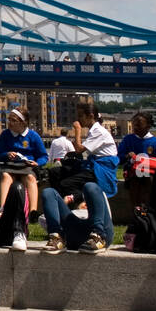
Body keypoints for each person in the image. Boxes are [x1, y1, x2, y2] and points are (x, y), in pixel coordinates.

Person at [41, 101, 118, 255]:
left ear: (90, 116)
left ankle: (98, 236)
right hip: (73, 232)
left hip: (99, 171)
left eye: (81, 116)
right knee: (50, 188)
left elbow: (78, 149)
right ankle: (56, 236)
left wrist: (76, 130)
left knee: (89, 186)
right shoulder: (93, 131)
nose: (79, 120)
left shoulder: (99, 131)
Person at [0, 109, 48, 250]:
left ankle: (33, 211)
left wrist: (37, 163)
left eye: (13, 120)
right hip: (10, 165)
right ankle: (2, 208)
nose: (10, 123)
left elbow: (43, 156)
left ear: (23, 122)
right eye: (9, 119)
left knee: (31, 179)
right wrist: (7, 154)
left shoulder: (33, 136)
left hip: (26, 165)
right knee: (6, 177)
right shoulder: (5, 135)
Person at [118, 112, 156, 210]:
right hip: (132, 173)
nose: (135, 127)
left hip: (150, 174)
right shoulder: (128, 139)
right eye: (134, 124)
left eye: (139, 125)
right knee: (136, 180)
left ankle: (146, 209)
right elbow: (119, 157)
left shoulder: (155, 142)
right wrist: (127, 156)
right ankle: (136, 209)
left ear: (148, 126)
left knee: (148, 181)